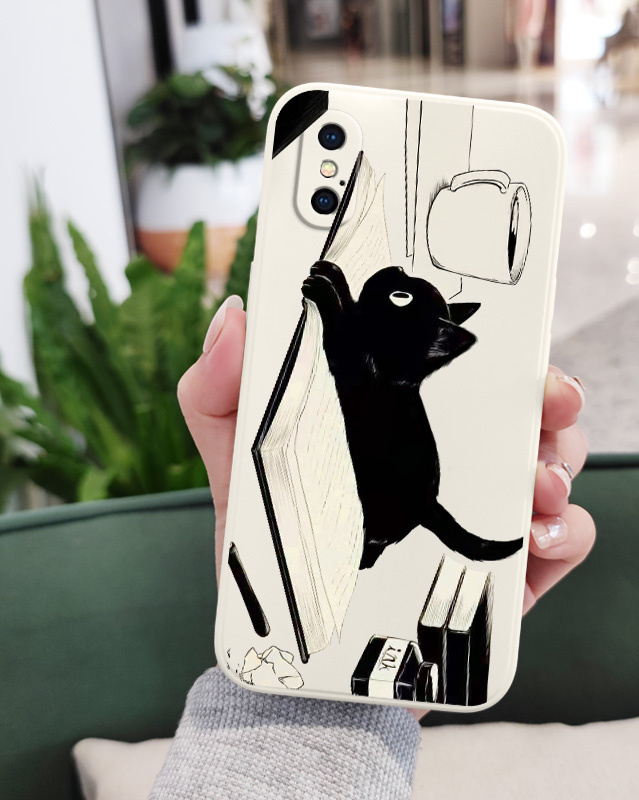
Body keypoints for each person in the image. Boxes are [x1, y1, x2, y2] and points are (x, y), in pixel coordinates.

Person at [149, 294, 595, 799]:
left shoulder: (381, 365)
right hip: (389, 502)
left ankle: (373, 546)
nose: (397, 286)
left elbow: (345, 358)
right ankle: (373, 547)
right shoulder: (386, 357)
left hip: (388, 505)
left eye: (402, 298)